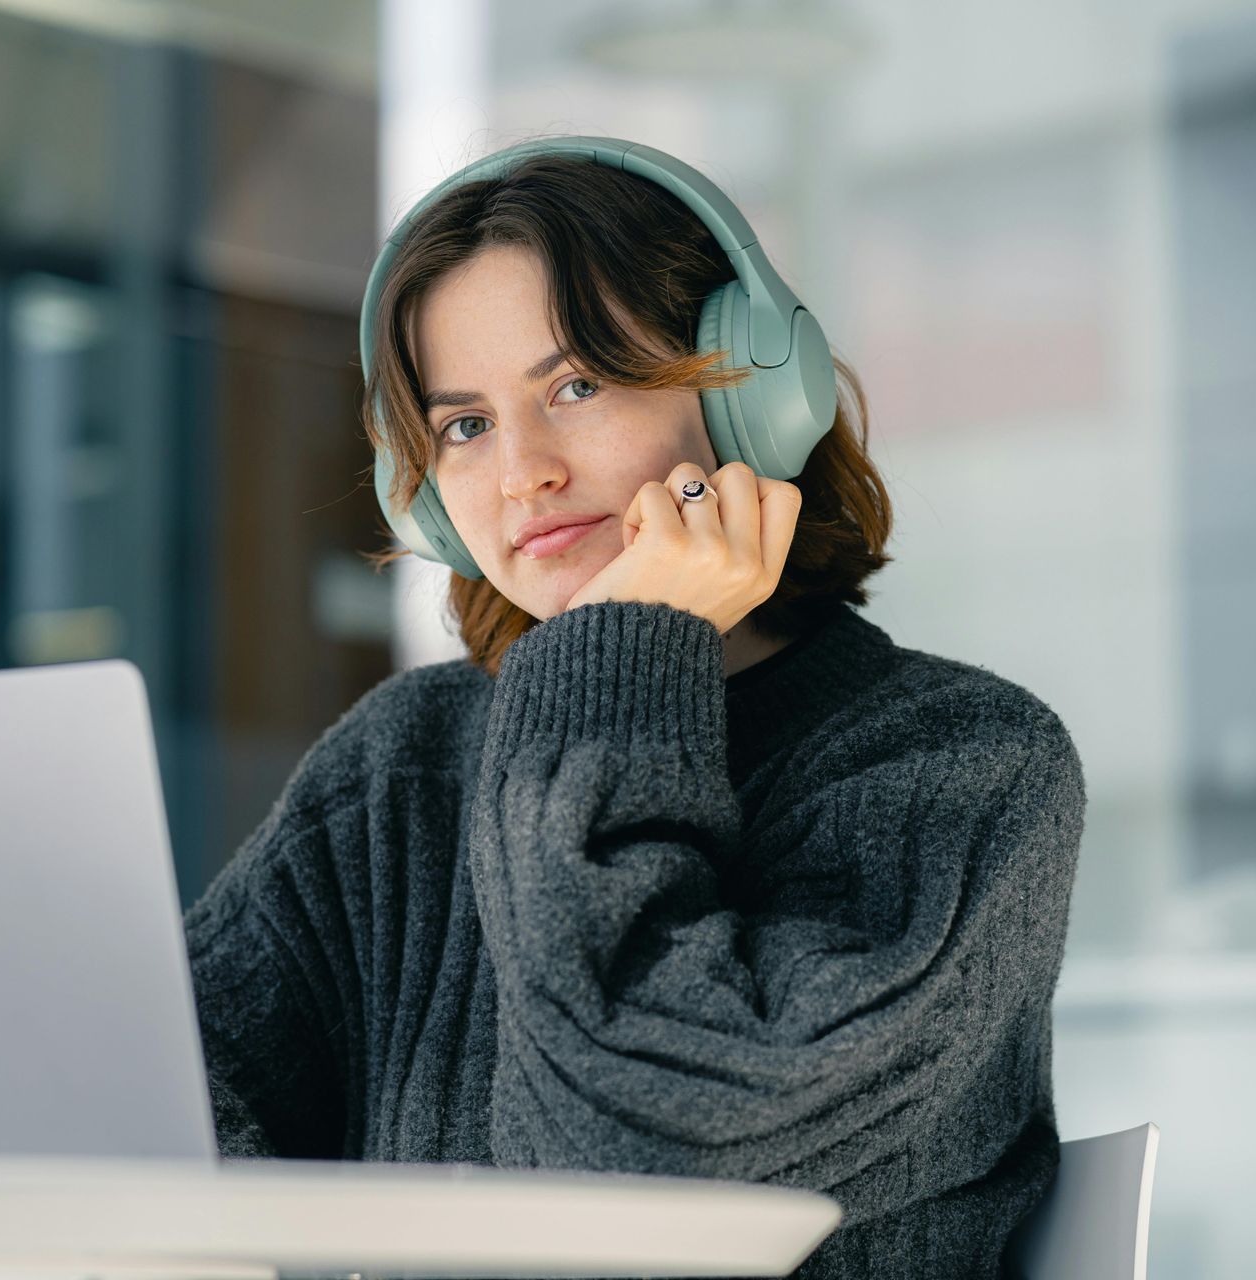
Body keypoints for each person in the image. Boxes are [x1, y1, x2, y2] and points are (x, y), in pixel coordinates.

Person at [181, 143, 1087, 1280]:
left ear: (756, 392)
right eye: (463, 426)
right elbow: (166, 1100)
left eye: (576, 386)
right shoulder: (400, 765)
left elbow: (626, 1168)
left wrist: (619, 659)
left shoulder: (961, 762)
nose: (522, 473)